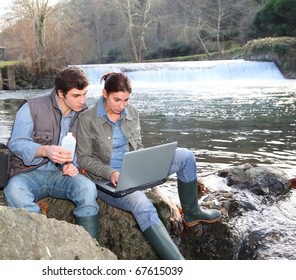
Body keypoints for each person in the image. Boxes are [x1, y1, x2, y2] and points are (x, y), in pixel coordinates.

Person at [76, 72, 221, 259]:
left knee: (186, 156)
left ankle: (192, 213)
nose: (122, 106)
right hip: (108, 181)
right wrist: (110, 172)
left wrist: (147, 163)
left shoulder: (132, 112)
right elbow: (84, 159)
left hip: (135, 170)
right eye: (117, 100)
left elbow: (138, 146)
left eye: (126, 100)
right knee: (142, 204)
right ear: (105, 93)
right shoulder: (87, 118)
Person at [4, 66, 99, 239]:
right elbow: (16, 143)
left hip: (61, 176)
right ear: (61, 93)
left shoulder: (85, 114)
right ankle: (45, 240)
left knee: (87, 189)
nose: (82, 100)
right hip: (29, 174)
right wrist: (44, 150)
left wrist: (74, 165)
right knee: (14, 190)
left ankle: (89, 248)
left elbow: (87, 148)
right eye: (76, 96)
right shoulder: (31, 107)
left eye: (84, 94)